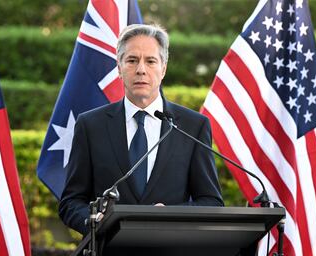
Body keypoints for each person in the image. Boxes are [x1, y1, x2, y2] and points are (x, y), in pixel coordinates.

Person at [58, 24, 223, 236]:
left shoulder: (193, 126)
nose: (141, 69)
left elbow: (211, 201)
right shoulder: (90, 125)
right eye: (132, 60)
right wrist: (95, 222)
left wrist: (172, 215)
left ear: (163, 69)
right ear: (119, 67)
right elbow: (71, 202)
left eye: (151, 61)